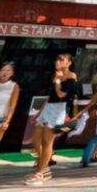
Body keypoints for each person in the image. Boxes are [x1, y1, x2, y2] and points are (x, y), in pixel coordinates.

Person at [28, 52, 80, 185]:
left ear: (69, 63)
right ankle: (44, 166)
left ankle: (40, 172)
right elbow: (51, 96)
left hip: (58, 110)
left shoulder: (71, 76)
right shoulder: (55, 75)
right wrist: (39, 112)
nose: (58, 62)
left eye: (62, 60)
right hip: (48, 108)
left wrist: (58, 80)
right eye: (57, 60)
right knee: (35, 141)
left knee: (47, 142)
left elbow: (61, 95)